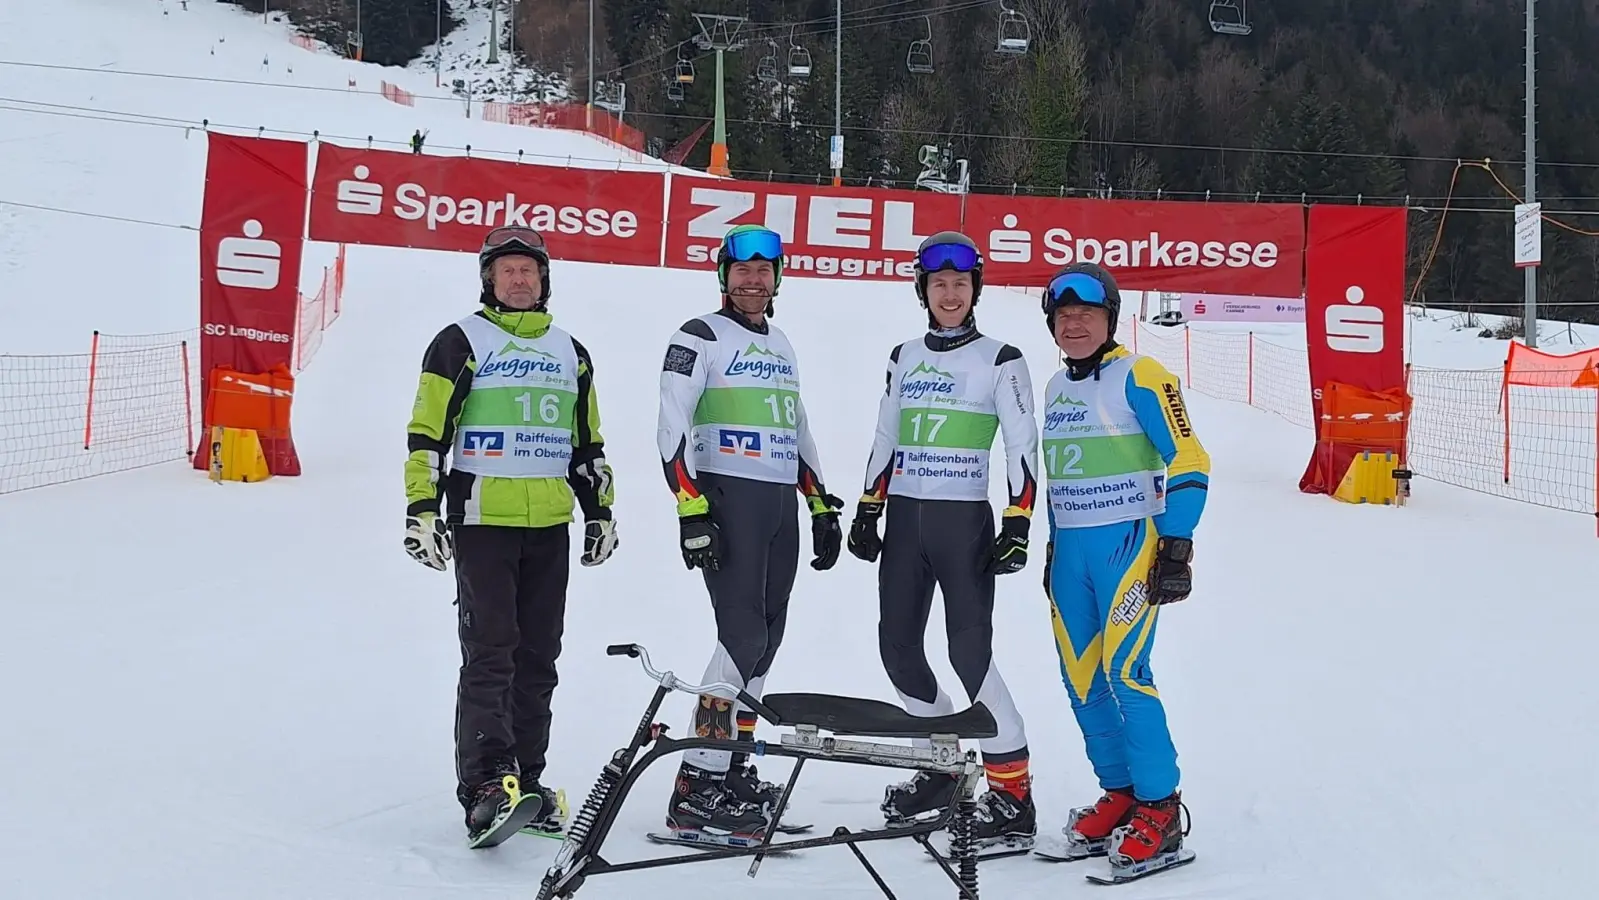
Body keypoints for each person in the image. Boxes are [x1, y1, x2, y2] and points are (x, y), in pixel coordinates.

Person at [403, 226, 620, 845]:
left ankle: (526, 778)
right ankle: (485, 785)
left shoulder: (570, 352)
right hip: (483, 521)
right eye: (508, 271)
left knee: (538, 658)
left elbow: (587, 443)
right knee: (492, 654)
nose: (519, 280)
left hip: (549, 522)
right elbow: (427, 433)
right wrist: (421, 508)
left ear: (543, 280)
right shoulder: (460, 342)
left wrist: (600, 509)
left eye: (529, 270)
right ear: (489, 281)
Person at [844, 231, 1040, 850]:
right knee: (897, 650)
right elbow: (885, 434)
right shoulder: (903, 354)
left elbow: (1021, 444)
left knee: (968, 657)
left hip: (963, 526)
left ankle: (1013, 797)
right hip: (905, 519)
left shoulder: (1001, 358)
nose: (949, 294)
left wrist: (1018, 519)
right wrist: (868, 505)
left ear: (975, 288)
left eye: (960, 283)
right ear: (923, 291)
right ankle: (940, 767)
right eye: (938, 284)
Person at [655, 223, 844, 842]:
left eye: (764, 271)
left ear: (777, 278)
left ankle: (734, 767)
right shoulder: (699, 335)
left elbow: (797, 427)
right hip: (728, 500)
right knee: (739, 636)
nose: (753, 280)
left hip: (776, 507)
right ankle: (696, 784)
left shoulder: (782, 342)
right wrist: (690, 508)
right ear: (723, 276)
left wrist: (819, 505)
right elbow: (671, 423)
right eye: (742, 271)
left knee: (766, 640)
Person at [1036, 262, 1209, 871]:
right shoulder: (1057, 387)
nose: (1074, 323)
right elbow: (1062, 478)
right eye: (1063, 315)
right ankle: (1122, 791)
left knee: (1126, 671)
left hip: (1130, 548)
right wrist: (1054, 547)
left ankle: (1161, 808)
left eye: (1087, 313)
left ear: (1109, 317)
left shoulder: (1141, 374)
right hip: (1072, 557)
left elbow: (1189, 458)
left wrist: (1177, 545)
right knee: (1080, 678)